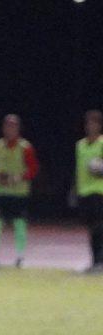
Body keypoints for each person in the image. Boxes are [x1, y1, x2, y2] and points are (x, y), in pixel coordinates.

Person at [0, 114, 39, 269]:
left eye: (13, 126)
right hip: (0, 193)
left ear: (18, 129)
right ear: (3, 128)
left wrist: (19, 177)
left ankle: (20, 258)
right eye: (7, 126)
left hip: (19, 193)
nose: (10, 129)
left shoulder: (25, 147)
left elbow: (33, 169)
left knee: (20, 225)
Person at [75, 109, 103, 274]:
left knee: (100, 227)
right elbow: (78, 170)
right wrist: (75, 191)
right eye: (88, 123)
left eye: (94, 123)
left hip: (99, 191)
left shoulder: (101, 144)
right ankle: (94, 262)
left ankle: (100, 260)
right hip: (84, 192)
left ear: (99, 125)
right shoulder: (80, 145)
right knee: (92, 228)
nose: (90, 126)